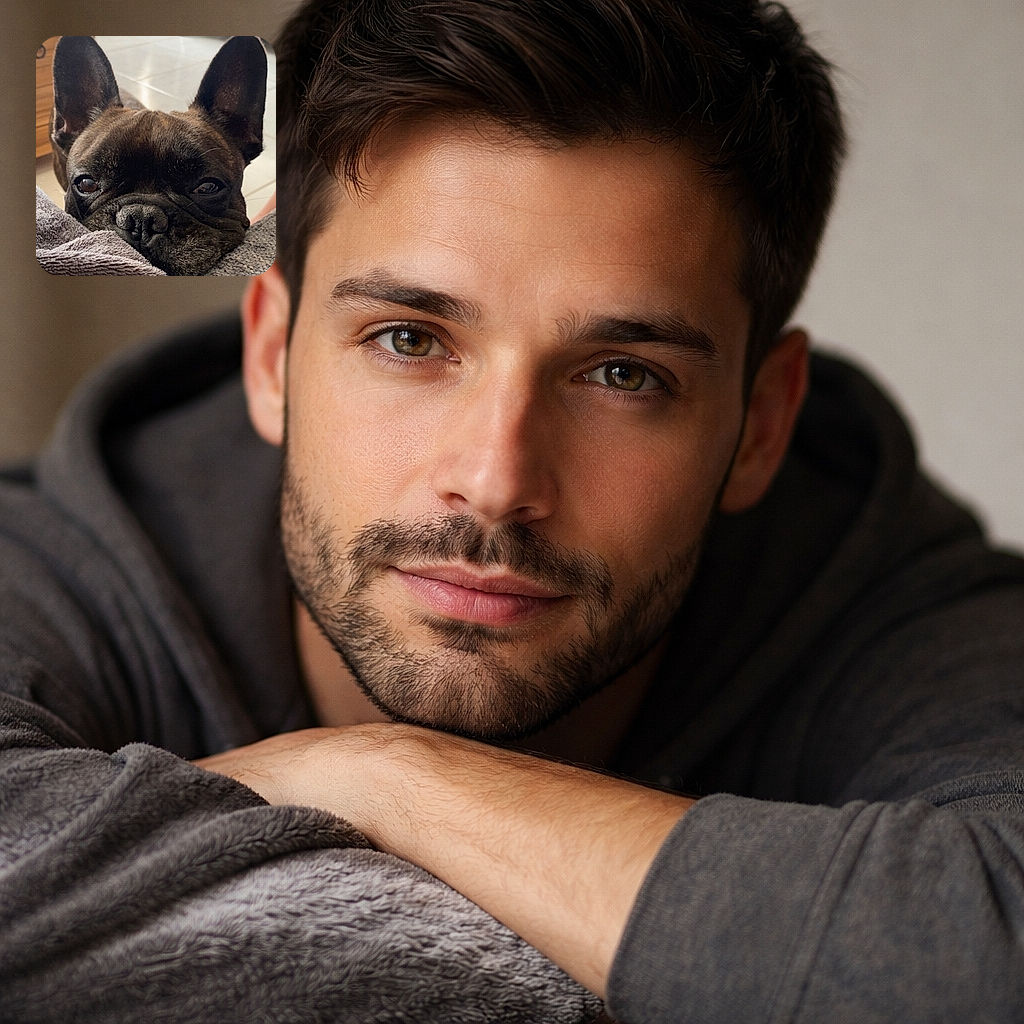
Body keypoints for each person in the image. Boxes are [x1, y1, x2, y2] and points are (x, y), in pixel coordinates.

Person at [3, 1, 1023, 1021]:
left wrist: (387, 779)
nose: (494, 480)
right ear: (271, 356)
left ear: (760, 424)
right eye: (409, 340)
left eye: (622, 373)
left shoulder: (892, 601)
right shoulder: (54, 569)